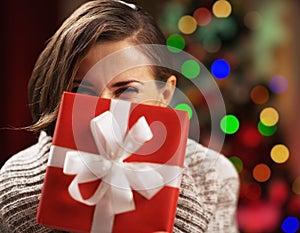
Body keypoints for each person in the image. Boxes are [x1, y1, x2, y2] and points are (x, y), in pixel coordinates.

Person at [0, 0, 240, 232]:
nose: (104, 109)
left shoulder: (215, 177)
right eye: (80, 90)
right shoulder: (15, 182)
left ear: (165, 94)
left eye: (126, 90)